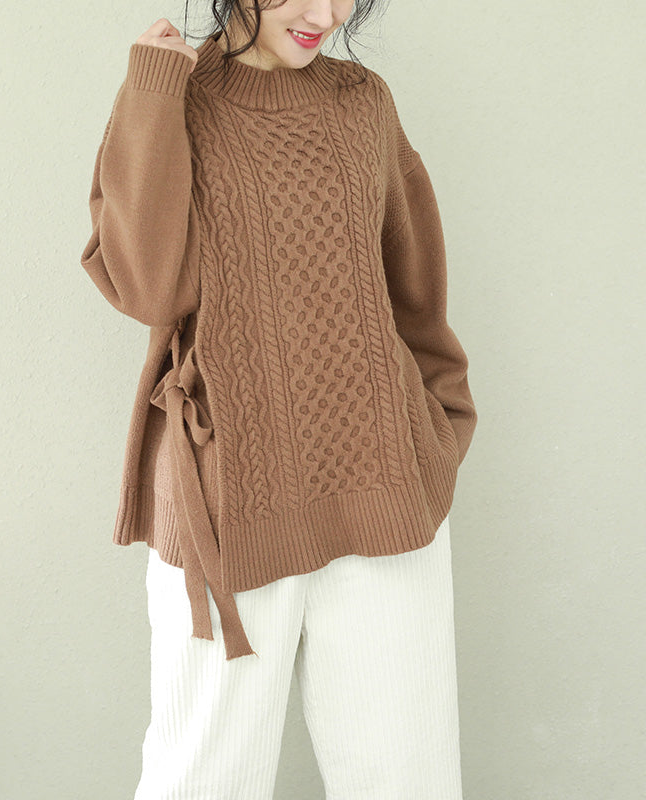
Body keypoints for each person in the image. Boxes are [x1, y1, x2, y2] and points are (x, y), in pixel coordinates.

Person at [80, 2, 478, 797]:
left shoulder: (361, 101)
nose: (325, 14)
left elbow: (416, 291)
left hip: (384, 488)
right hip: (230, 501)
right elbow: (148, 288)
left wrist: (437, 430)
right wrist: (154, 87)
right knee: (204, 779)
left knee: (406, 778)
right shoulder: (173, 97)